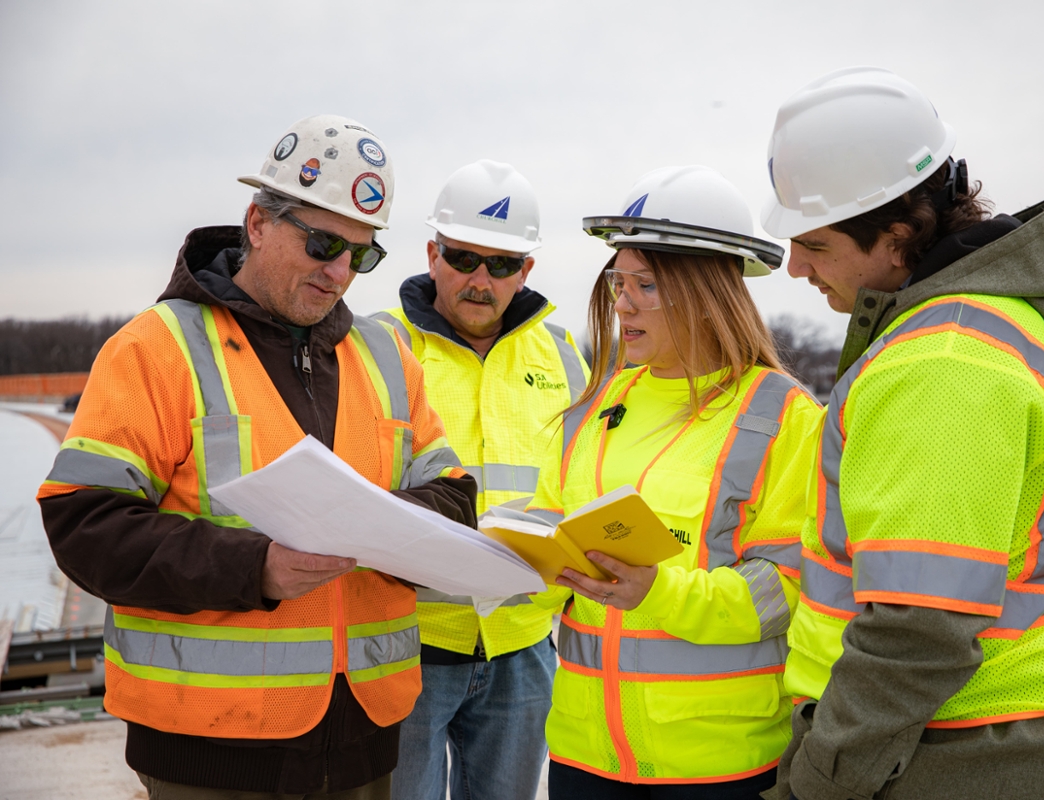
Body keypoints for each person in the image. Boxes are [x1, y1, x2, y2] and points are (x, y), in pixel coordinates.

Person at [38, 115, 477, 800]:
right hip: (211, 751)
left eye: (362, 255)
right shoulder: (157, 348)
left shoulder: (388, 357)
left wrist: (384, 523)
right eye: (323, 242)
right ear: (257, 223)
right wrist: (257, 568)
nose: (339, 273)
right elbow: (86, 527)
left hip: (365, 741)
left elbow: (451, 492)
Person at [759, 68, 1044, 800]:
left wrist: (820, 781)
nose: (794, 268)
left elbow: (917, 632)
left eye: (815, 245)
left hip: (946, 756)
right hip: (1013, 739)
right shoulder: (1011, 326)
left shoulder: (941, 363)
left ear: (896, 240)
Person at [526, 165, 825, 799]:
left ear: (705, 293)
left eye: (647, 285)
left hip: (719, 760)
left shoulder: (784, 416)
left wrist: (656, 592)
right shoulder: (592, 408)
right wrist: (521, 564)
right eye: (618, 282)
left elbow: (789, 588)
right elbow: (548, 532)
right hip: (584, 754)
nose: (622, 302)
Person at [372, 160, 588, 800]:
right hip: (408, 639)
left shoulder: (562, 352)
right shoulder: (379, 346)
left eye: (502, 265)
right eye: (464, 258)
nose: (480, 280)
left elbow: (582, 477)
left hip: (522, 644)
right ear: (433, 253)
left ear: (526, 270)